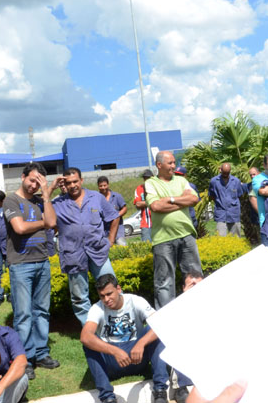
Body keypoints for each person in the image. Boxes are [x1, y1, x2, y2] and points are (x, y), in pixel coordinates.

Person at [80, 274, 192, 403]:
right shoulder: (97, 308)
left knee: (156, 329)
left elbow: (160, 323)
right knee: (89, 341)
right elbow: (85, 336)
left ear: (118, 289)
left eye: (109, 294)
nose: (106, 299)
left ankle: (160, 392)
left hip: (137, 357)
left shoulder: (135, 301)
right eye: (102, 296)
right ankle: (107, 397)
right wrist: (114, 351)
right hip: (112, 362)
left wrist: (141, 343)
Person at [2, 163, 60, 380]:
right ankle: (24, 358)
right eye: (33, 180)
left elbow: (52, 222)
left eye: (39, 182)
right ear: (23, 177)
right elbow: (19, 228)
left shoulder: (39, 200)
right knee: (24, 314)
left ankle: (42, 353)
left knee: (42, 311)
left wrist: (46, 195)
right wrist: (42, 223)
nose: (35, 185)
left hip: (42, 262)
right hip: (21, 265)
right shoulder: (11, 200)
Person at [44, 167, 119, 327]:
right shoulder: (57, 203)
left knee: (111, 290)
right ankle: (92, 332)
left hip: (99, 253)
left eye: (75, 181)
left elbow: (114, 217)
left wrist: (110, 240)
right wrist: (50, 188)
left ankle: (116, 324)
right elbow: (46, 218)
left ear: (81, 180)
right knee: (79, 298)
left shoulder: (96, 197)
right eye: (68, 182)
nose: (72, 185)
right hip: (74, 255)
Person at [144, 151, 202, 309]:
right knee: (164, 283)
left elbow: (194, 199)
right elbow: (155, 206)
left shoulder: (182, 180)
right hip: (163, 240)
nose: (173, 166)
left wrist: (169, 199)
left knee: (195, 278)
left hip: (187, 236)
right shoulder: (151, 183)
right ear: (159, 165)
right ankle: (166, 321)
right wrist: (182, 200)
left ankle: (198, 310)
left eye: (173, 162)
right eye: (169, 163)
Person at [208, 163, 247, 237]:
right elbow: (212, 195)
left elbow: (240, 195)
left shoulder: (236, 181)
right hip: (220, 213)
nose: (226, 174)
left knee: (235, 238)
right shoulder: (214, 181)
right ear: (220, 170)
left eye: (227, 172)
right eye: (224, 172)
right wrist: (219, 202)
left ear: (230, 171)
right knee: (221, 237)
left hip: (233, 213)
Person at [97, 176, 128, 246]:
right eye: (100, 186)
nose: (103, 187)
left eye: (104, 185)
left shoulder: (117, 196)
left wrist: (116, 216)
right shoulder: (96, 198)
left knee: (121, 245)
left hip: (118, 228)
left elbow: (124, 209)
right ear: (98, 186)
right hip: (104, 229)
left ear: (108, 185)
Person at [132, 169, 154, 242]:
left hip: (158, 222)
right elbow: (138, 204)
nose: (146, 180)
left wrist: (144, 203)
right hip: (146, 224)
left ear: (153, 177)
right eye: (145, 178)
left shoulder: (157, 187)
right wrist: (152, 201)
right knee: (147, 246)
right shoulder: (139, 188)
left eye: (148, 178)